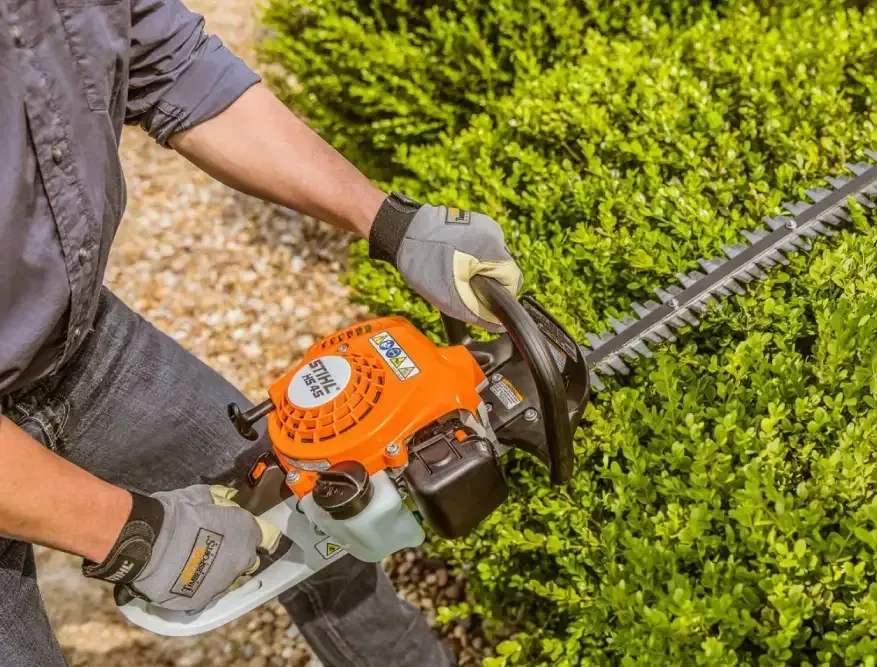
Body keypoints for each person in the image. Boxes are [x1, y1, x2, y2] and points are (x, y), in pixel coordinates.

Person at [0, 0, 523, 664]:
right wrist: (131, 531)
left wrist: (389, 222)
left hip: (76, 344)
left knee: (320, 521)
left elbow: (173, 67)